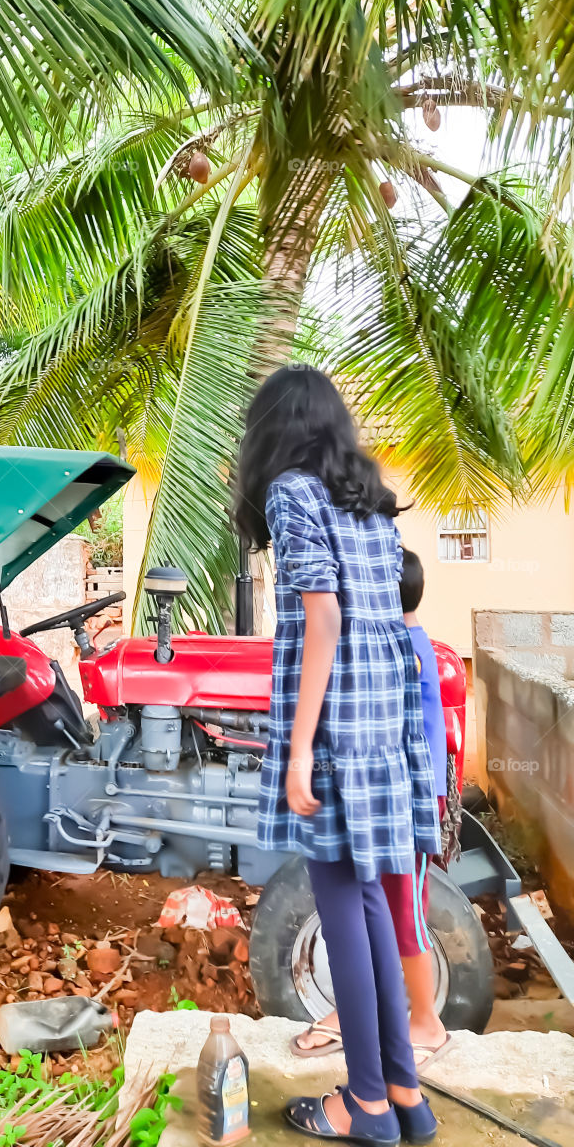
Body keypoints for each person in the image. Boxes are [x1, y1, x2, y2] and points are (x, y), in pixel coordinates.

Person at [234, 365, 439, 1146]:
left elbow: (323, 620)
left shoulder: (293, 492)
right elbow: (377, 621)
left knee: (344, 914)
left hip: (335, 730)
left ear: (275, 429)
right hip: (385, 729)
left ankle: (364, 1105)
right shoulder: (371, 505)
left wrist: (296, 752)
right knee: (372, 908)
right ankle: (401, 1095)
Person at [291, 547, 451, 1066]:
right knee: (363, 906)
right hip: (381, 798)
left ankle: (426, 1022)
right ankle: (356, 1012)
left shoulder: (404, 649)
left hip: (409, 804)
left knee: (404, 914)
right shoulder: (395, 641)